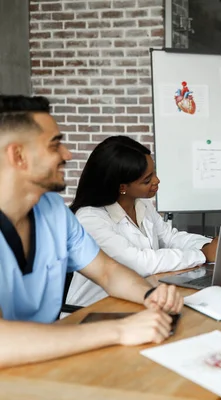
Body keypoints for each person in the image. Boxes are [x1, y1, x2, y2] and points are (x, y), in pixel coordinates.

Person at [0, 95, 183, 368]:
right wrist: (119, 330)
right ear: (19, 156)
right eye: (55, 145)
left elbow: (107, 271)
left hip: (50, 360)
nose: (68, 154)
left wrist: (149, 296)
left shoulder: (53, 210)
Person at [67, 136, 217, 308]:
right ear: (122, 187)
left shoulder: (141, 204)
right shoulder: (90, 219)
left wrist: (208, 245)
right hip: (94, 309)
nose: (156, 181)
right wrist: (202, 254)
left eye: (154, 172)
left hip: (135, 300)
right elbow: (138, 262)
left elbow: (169, 238)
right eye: (147, 179)